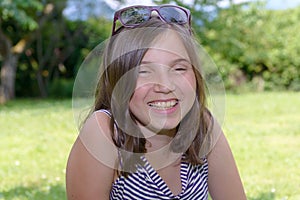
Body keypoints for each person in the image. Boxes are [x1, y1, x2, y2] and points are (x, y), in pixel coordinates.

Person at [66, 4, 247, 200]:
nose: (165, 85)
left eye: (179, 69)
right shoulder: (105, 132)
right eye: (144, 71)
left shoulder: (203, 126)